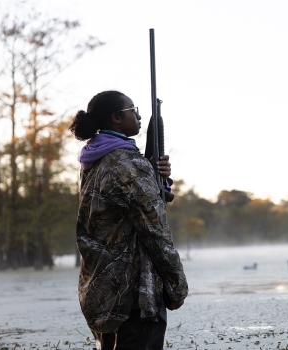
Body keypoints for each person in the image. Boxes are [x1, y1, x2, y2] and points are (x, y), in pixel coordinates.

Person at [69, 90, 188, 350]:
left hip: (101, 289)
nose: (139, 115)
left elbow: (122, 206)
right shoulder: (127, 162)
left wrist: (157, 178)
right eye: (133, 110)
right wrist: (177, 283)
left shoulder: (95, 158)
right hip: (134, 293)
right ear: (116, 118)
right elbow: (155, 228)